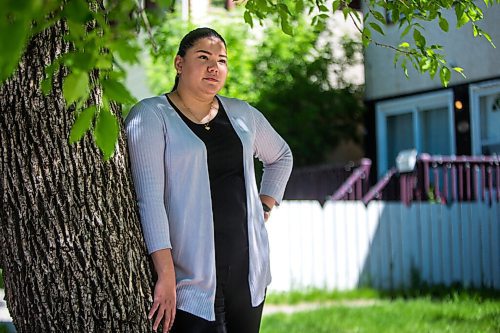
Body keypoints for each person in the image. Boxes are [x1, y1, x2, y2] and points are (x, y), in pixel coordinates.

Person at [125, 27, 293, 333]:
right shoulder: (150, 115)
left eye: (222, 60)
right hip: (190, 280)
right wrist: (165, 276)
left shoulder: (243, 114)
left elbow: (281, 156)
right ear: (179, 63)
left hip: (249, 274)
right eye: (203, 57)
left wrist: (265, 206)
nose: (214, 67)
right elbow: (149, 201)